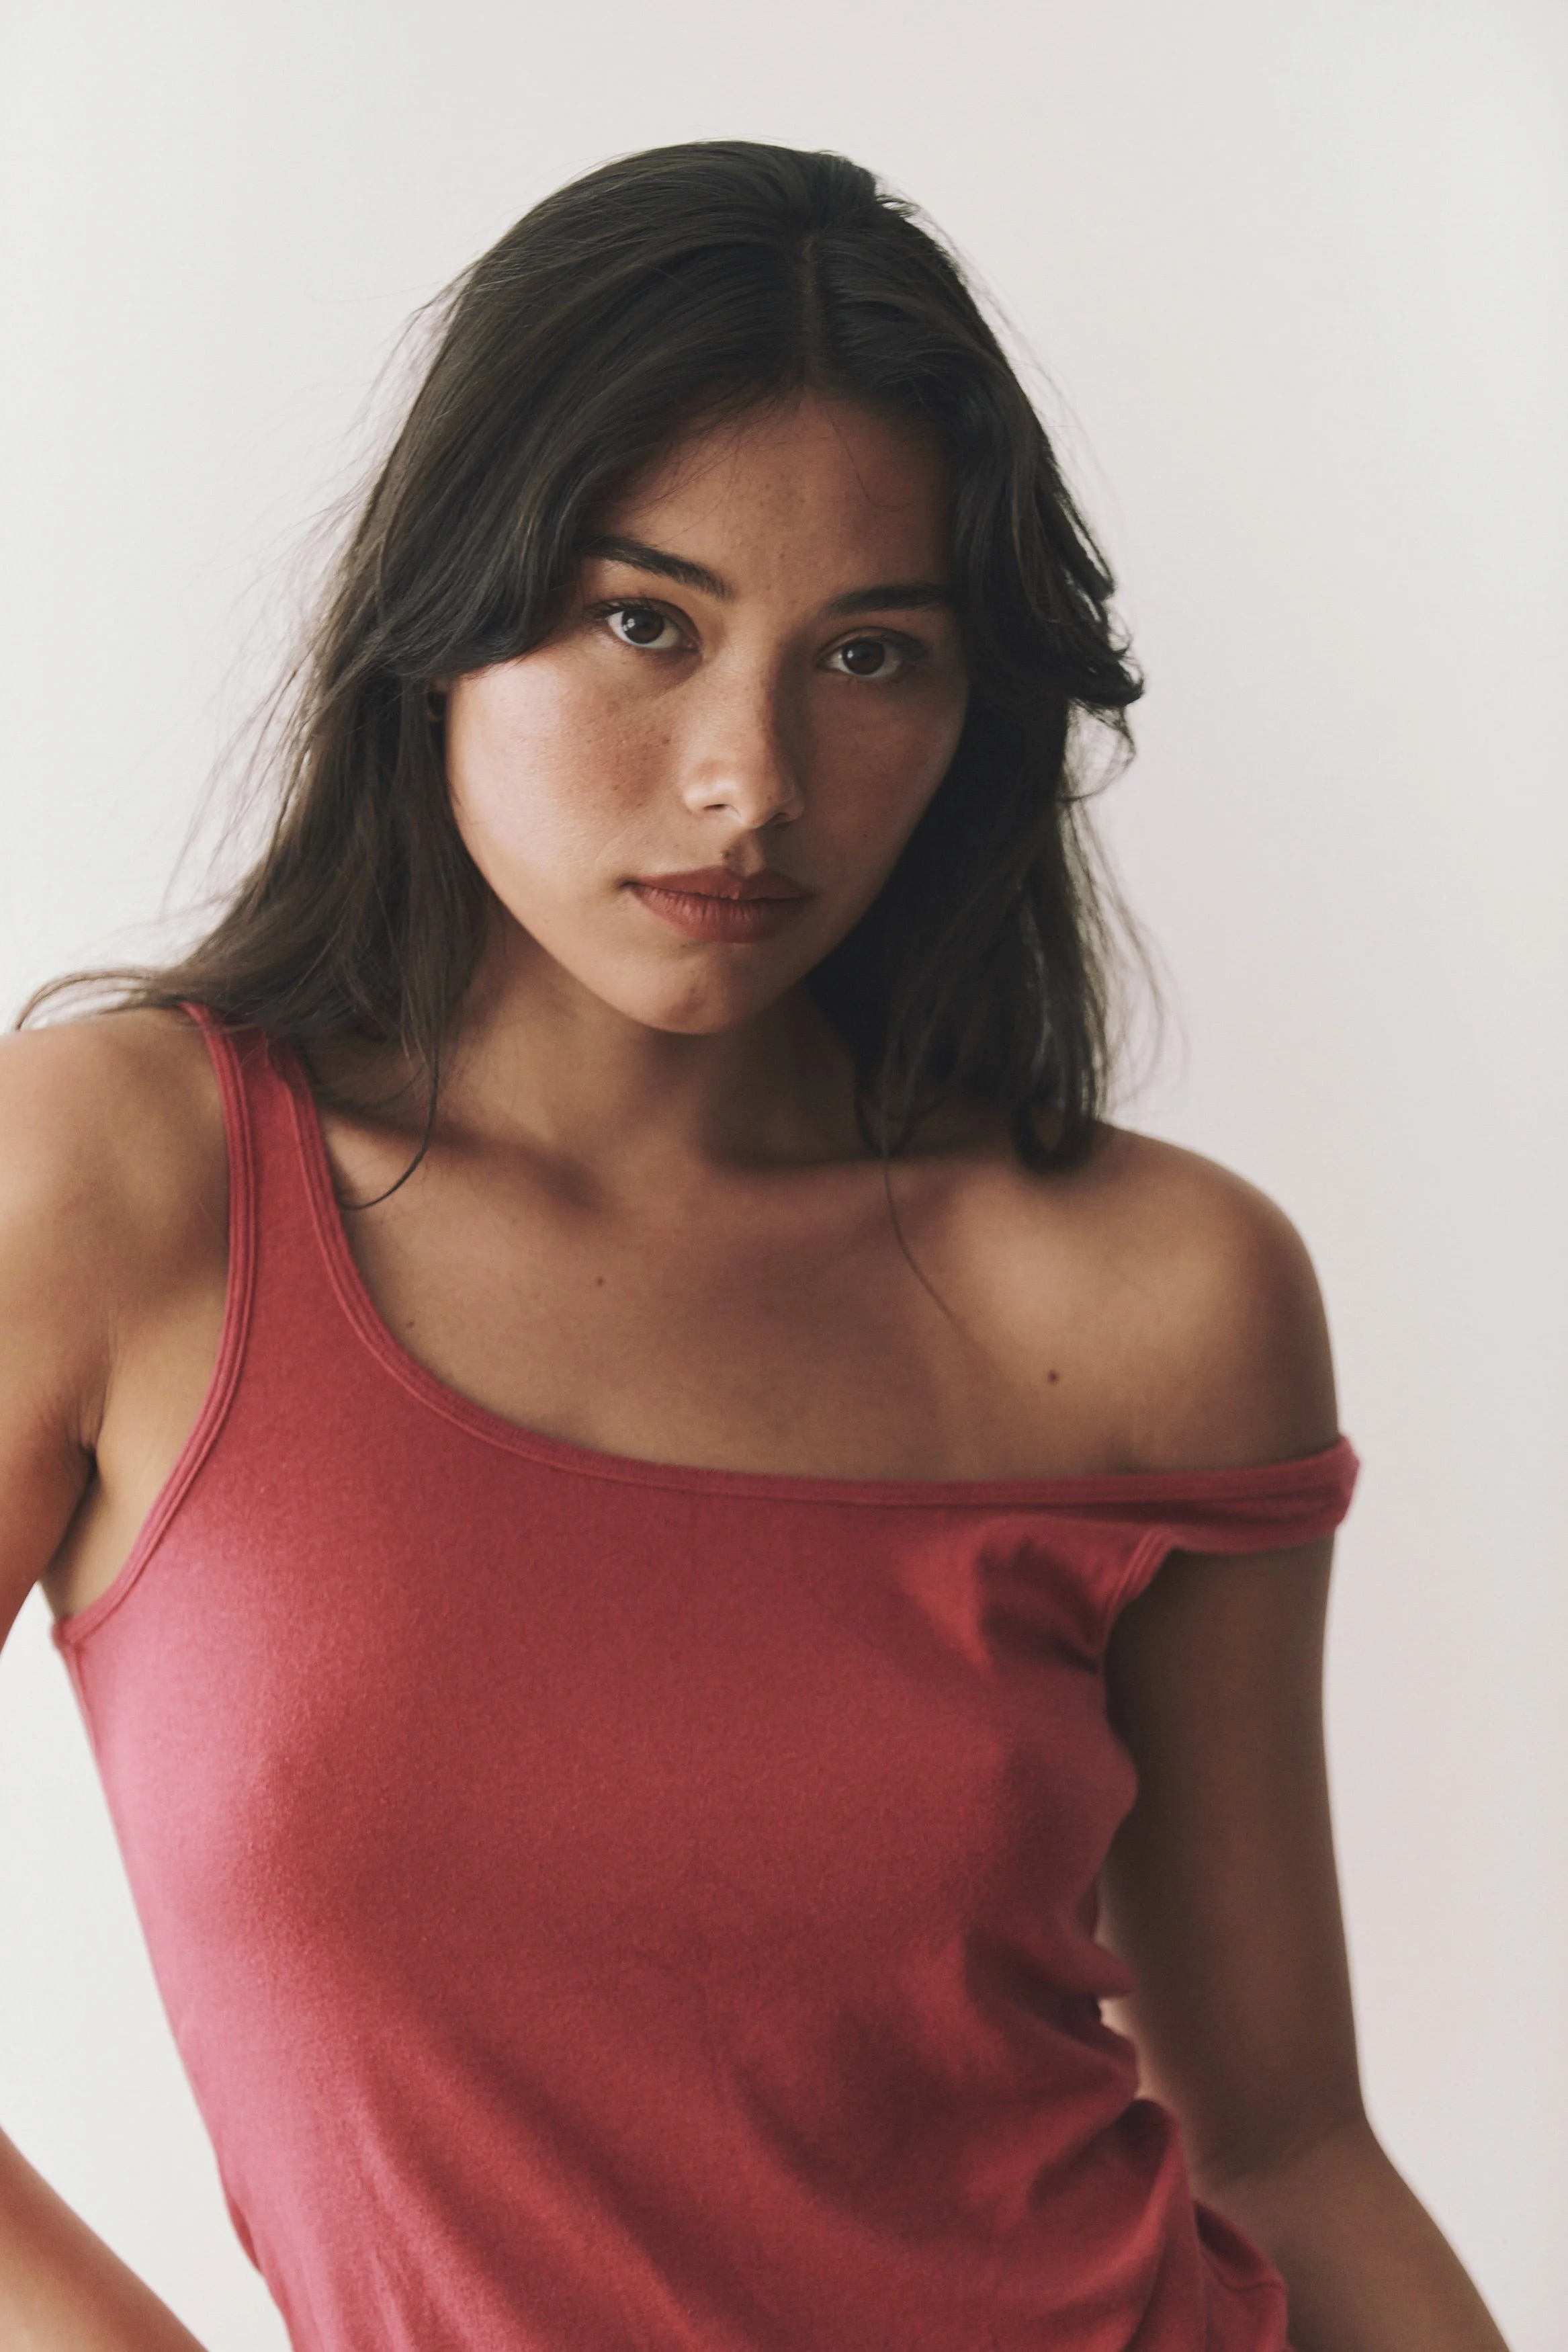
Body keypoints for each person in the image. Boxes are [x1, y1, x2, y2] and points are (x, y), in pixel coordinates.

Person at [0, 141, 1507, 2352]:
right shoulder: (128, 1183)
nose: (749, 778)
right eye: (645, 622)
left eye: (870, 655)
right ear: (445, 613)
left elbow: (1282, 2143)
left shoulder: (1152, 1295)